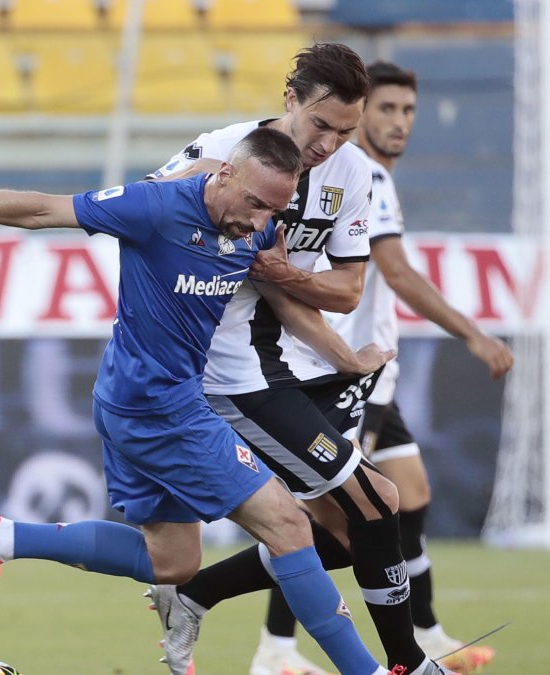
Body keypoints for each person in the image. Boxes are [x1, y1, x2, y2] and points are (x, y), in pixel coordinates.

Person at [0, 128, 398, 675]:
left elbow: (289, 304)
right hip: (162, 409)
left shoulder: (257, 232)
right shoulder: (155, 207)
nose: (261, 222)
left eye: (275, 211)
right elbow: (41, 211)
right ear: (225, 173)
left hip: (129, 401)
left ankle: (1, 537)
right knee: (290, 526)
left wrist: (346, 357)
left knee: (172, 561)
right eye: (256, 204)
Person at [144, 44, 452, 675]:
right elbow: (147, 208)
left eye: (345, 130)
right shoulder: (228, 151)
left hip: (306, 366)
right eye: (321, 125)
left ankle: (195, 596)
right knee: (378, 499)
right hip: (232, 378)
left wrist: (283, 273)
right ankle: (407, 663)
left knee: (337, 535)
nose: (330, 143)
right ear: (291, 100)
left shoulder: (355, 173)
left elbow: (347, 289)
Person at [248, 62, 515, 675]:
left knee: (407, 494)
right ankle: (279, 646)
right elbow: (393, 273)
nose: (397, 123)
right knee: (341, 518)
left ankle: (425, 633)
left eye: (407, 111)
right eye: (385, 110)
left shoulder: (360, 180)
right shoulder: (355, 176)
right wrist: (474, 334)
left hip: (371, 370)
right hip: (338, 368)